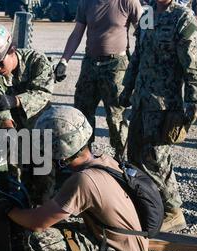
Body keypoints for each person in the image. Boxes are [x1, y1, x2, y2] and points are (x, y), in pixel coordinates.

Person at [7, 105, 152, 251]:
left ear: (58, 151)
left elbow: (37, 222)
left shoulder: (84, 180)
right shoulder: (104, 161)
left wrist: (8, 209)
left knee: (37, 239)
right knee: (60, 224)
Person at [120, 0, 197, 232]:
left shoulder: (182, 17)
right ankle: (147, 206)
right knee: (135, 156)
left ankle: (173, 212)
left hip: (164, 104)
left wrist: (195, 101)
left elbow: (194, 64)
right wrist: (127, 88)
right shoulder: (147, 14)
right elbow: (138, 55)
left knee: (157, 160)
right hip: (141, 100)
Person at [54, 0, 143, 161]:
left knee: (116, 115)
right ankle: (82, 155)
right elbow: (77, 32)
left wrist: (143, 62)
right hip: (90, 64)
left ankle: (121, 158)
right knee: (82, 112)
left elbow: (145, 32)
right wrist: (64, 61)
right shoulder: (86, 3)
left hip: (116, 66)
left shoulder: (128, 2)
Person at [0, 23, 56, 204]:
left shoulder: (37, 62)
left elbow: (43, 93)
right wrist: (7, 124)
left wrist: (16, 100)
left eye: (0, 63)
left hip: (40, 129)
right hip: (16, 133)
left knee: (43, 178)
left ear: (12, 50)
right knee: (14, 178)